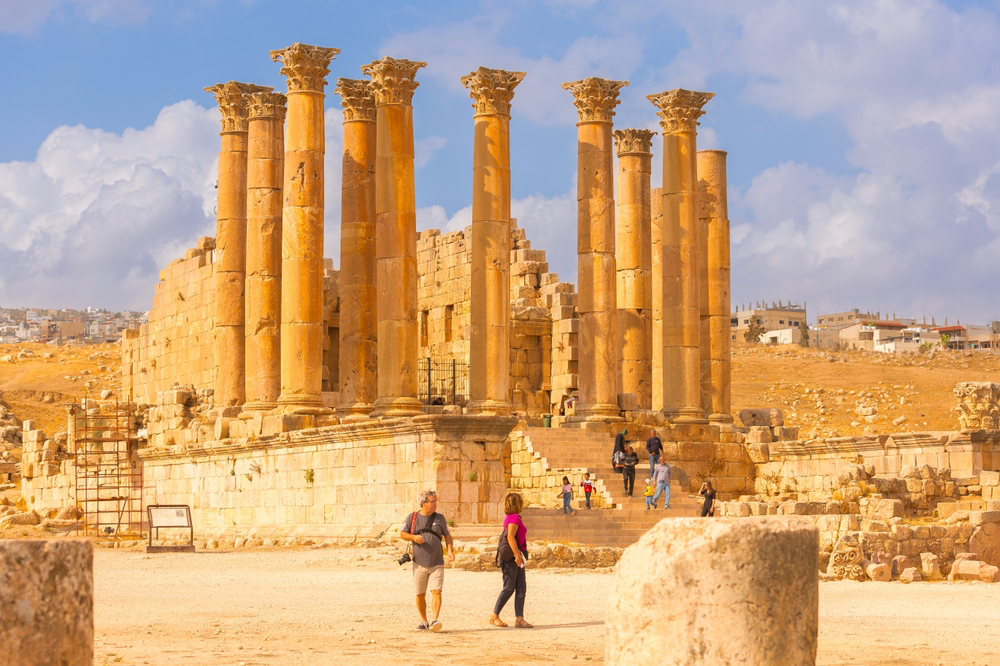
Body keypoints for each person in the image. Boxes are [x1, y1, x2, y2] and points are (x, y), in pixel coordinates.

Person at [400, 489, 455, 631]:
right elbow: (402, 534)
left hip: (437, 562)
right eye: (432, 501)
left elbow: (448, 536)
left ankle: (435, 620)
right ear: (424, 503)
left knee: (437, 591)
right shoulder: (412, 517)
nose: (435, 503)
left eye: (435, 501)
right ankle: (424, 621)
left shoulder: (440, 518)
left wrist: (450, 551)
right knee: (420, 594)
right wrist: (413, 537)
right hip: (418, 563)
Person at [490, 493, 533, 629]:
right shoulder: (514, 517)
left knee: (521, 587)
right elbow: (510, 537)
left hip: (518, 554)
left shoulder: (511, 517)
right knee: (509, 588)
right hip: (513, 556)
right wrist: (517, 555)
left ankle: (519, 619)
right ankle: (494, 615)